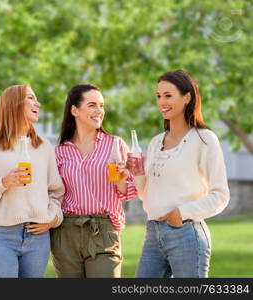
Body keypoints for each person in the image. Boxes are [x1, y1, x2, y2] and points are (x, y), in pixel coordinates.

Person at [127, 70, 230, 278]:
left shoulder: (204, 139)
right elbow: (147, 195)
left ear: (187, 97)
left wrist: (180, 214)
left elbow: (220, 195)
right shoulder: (156, 142)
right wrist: (136, 171)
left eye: (168, 95)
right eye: (158, 96)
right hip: (153, 233)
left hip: (186, 234)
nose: (161, 102)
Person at [0, 84, 64, 278]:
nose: (38, 103)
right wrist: (2, 183)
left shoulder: (44, 147)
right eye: (31, 98)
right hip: (1, 236)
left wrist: (52, 218)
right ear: (14, 104)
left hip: (38, 237)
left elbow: (56, 192)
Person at [51, 84, 137, 278]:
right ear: (74, 110)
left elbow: (129, 191)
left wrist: (123, 179)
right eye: (92, 105)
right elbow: (53, 194)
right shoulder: (59, 152)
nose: (99, 111)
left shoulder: (115, 145)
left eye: (101, 105)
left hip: (104, 230)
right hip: (66, 232)